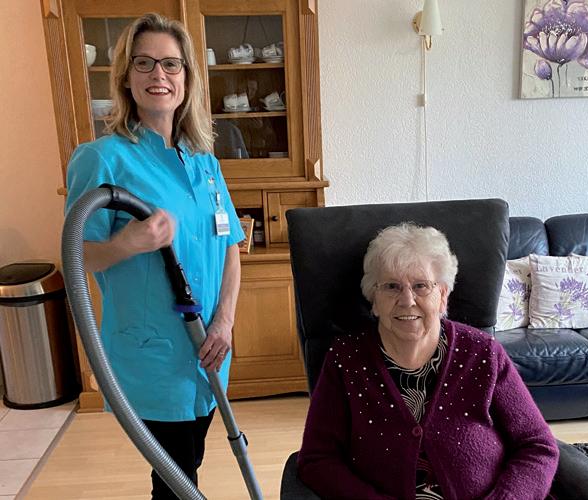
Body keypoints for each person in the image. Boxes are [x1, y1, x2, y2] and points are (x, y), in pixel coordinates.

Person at [64, 13, 244, 499]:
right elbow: (76, 259)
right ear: (126, 77)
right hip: (155, 357)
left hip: (210, 350)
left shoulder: (204, 161)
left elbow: (230, 245)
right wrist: (129, 242)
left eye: (170, 64)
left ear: (187, 77)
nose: (158, 75)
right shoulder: (102, 158)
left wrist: (225, 320)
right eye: (143, 63)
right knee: (175, 480)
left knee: (189, 464)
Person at [297, 223, 559, 499]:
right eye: (391, 287)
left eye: (421, 286)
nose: (407, 300)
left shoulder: (483, 354)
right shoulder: (346, 360)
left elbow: (537, 445)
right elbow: (317, 459)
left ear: (442, 295)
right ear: (373, 298)